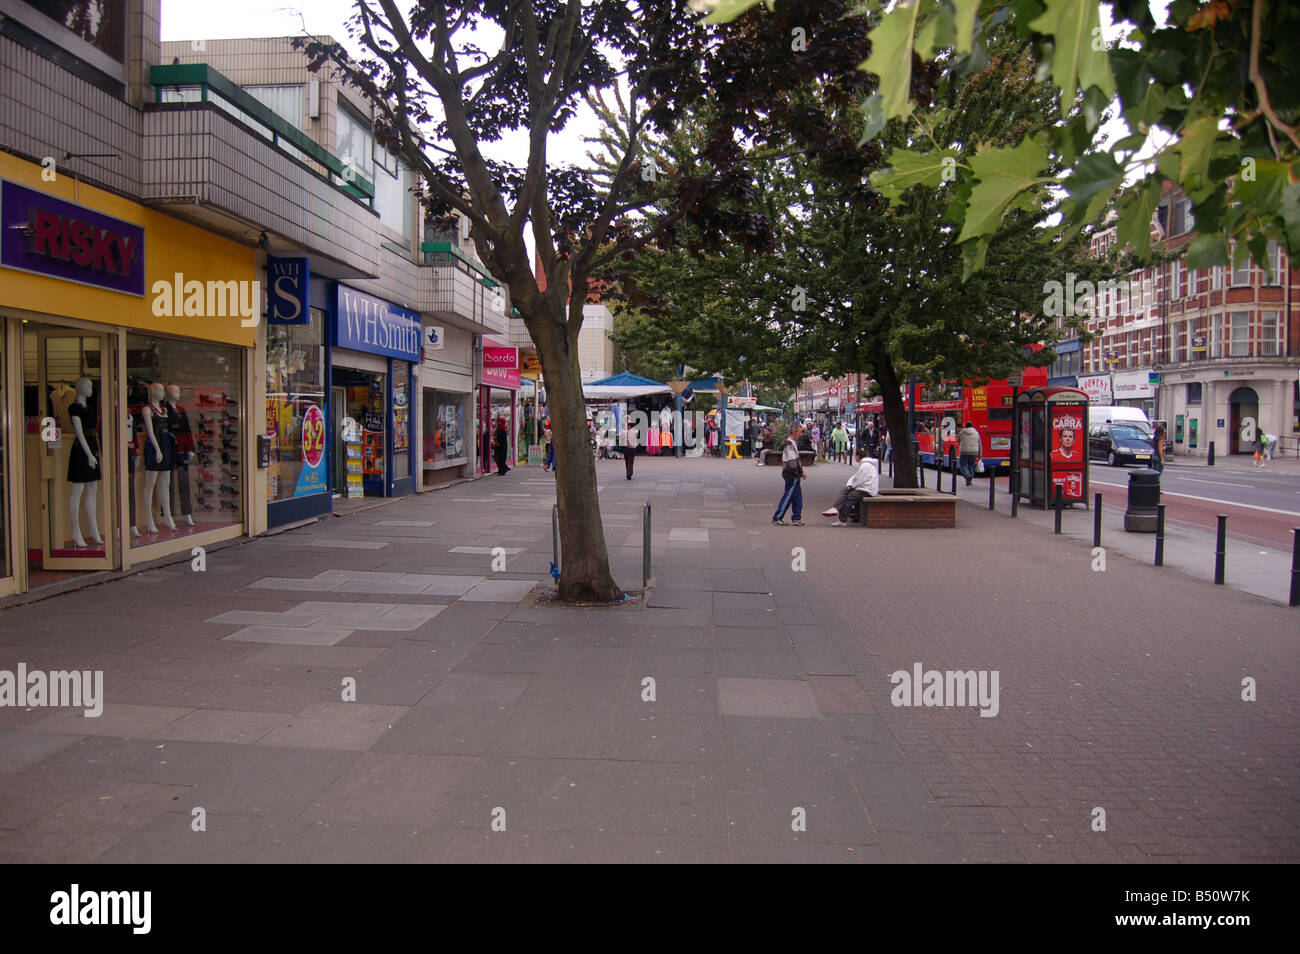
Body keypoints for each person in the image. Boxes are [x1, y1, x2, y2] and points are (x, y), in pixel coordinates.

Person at [829, 449, 880, 525]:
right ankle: (836, 508)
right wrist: (849, 484)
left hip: (867, 490)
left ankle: (842, 519)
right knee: (844, 490)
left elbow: (859, 479)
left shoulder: (865, 465)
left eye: (855, 456)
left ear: (858, 456)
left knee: (848, 498)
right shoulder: (865, 464)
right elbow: (855, 477)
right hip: (864, 488)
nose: (854, 457)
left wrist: (852, 486)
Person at [772, 423, 807, 526]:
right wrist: (798, 473)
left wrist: (801, 472)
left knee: (797, 497)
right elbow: (792, 462)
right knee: (788, 496)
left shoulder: (791, 443)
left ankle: (797, 517)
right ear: (794, 432)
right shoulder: (790, 445)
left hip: (793, 474)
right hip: (792, 475)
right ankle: (777, 517)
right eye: (800, 432)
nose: (800, 434)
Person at [957, 420, 981, 486]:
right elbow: (979, 444)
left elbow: (958, 440)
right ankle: (970, 480)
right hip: (974, 452)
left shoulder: (962, 432)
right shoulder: (976, 433)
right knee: (971, 466)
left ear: (965, 426)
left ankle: (967, 475)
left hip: (964, 452)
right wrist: (980, 454)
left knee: (963, 465)